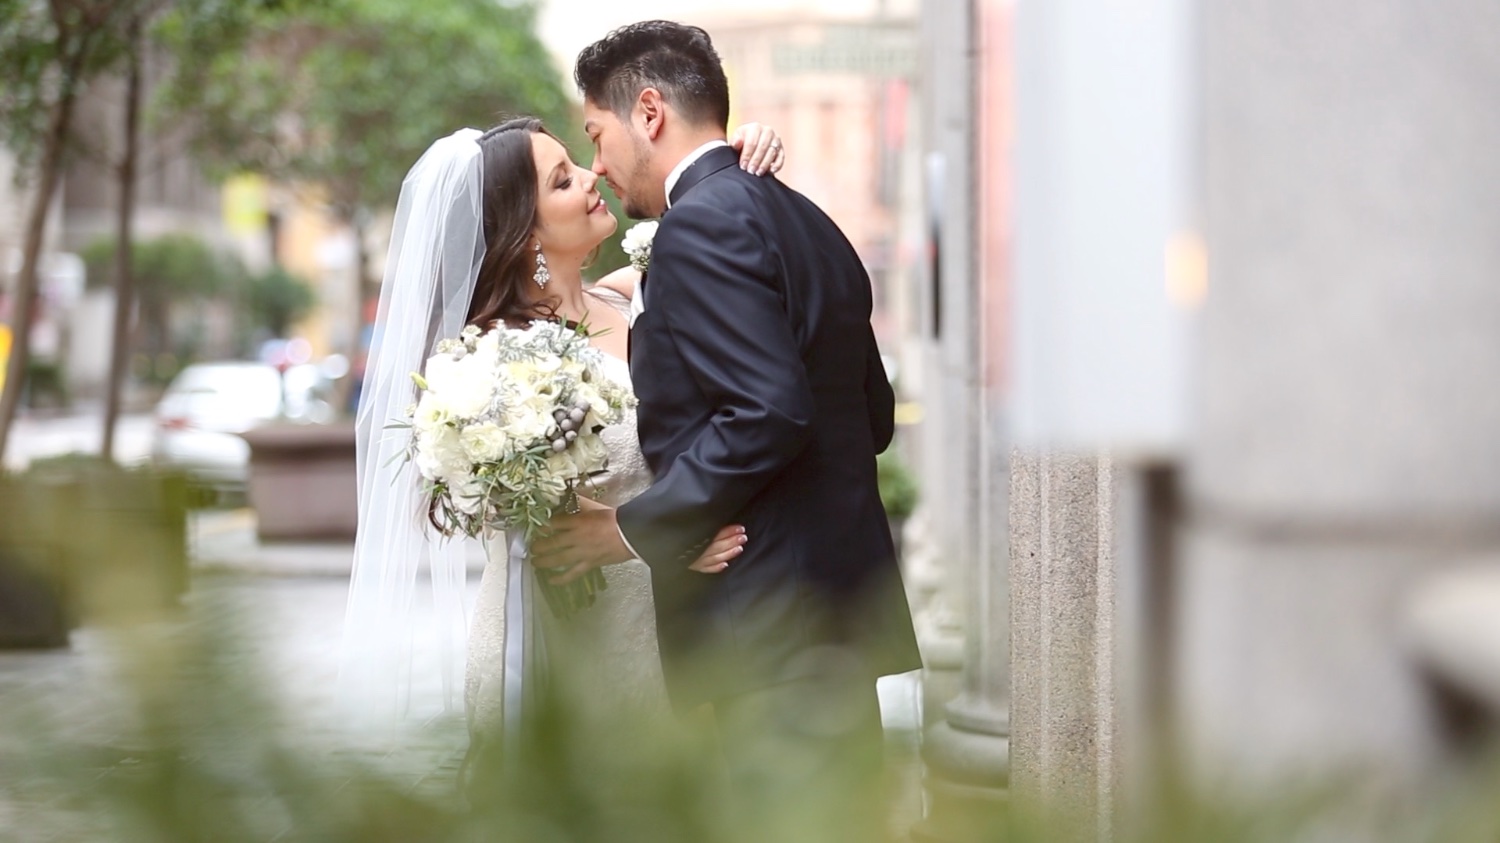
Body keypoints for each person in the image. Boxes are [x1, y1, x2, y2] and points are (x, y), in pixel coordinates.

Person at [531, 20, 923, 843]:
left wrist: (637, 528)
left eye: (595, 137)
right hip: (833, 619)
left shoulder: (698, 227)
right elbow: (873, 418)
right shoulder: (810, 219)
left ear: (648, 112)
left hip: (766, 626)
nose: (597, 165)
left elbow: (770, 410)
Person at [340, 115, 786, 782]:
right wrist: (671, 537)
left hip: (667, 642)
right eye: (562, 179)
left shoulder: (635, 296)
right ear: (525, 236)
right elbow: (540, 531)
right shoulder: (490, 363)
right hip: (563, 642)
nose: (593, 176)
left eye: (579, 163)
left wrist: (740, 154)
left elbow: (728, 233)